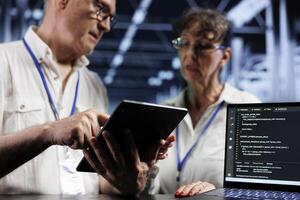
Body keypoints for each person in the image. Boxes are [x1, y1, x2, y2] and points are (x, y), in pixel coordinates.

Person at [0, 0, 172, 195]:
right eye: (100, 9)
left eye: (110, 18)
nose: (106, 26)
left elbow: (96, 182)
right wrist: (49, 132)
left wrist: (128, 181)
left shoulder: (94, 84)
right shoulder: (3, 62)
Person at [147, 8, 260, 197]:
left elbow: (261, 184)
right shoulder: (161, 114)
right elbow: (146, 189)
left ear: (225, 56)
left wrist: (219, 193)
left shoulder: (247, 109)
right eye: (184, 43)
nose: (190, 54)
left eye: (202, 46)